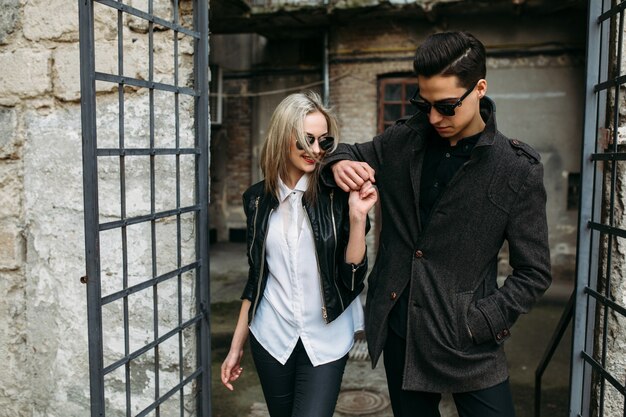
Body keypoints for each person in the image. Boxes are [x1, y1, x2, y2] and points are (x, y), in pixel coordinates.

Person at [324, 31, 552, 417]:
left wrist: (483, 321)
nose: (432, 117)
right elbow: (348, 152)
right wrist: (339, 163)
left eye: (446, 107)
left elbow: (534, 271)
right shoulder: (403, 140)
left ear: (479, 89)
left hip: (468, 339)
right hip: (401, 328)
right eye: (423, 103)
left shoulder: (516, 169)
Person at [220, 91, 378, 417]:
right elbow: (256, 277)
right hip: (271, 335)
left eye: (324, 141)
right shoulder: (256, 200)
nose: (316, 150)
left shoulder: (337, 197)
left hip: (326, 337)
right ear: (283, 138)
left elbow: (352, 278)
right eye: (306, 140)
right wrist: (237, 347)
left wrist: (357, 216)